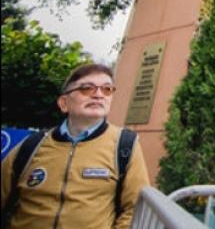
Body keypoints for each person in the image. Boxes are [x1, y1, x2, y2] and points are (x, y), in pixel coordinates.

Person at [1, 63, 150, 228]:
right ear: (64, 103)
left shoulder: (125, 145)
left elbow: (135, 208)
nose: (99, 95)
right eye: (87, 88)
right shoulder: (31, 146)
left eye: (107, 89)